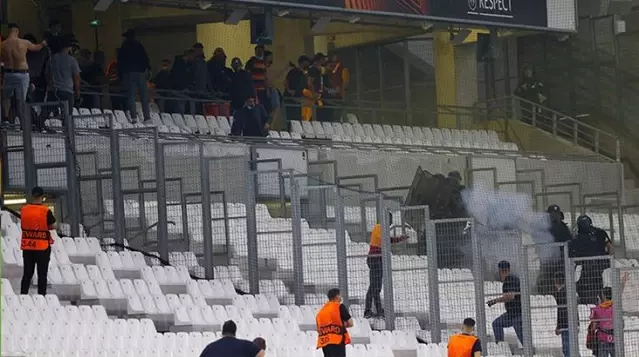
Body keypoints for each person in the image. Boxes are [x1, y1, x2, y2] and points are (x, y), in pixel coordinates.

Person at [364, 212, 407, 318]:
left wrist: (400, 238)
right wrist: (396, 239)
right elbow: (384, 240)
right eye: (389, 219)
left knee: (377, 287)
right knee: (373, 286)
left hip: (379, 259)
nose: (390, 222)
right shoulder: (378, 227)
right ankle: (368, 310)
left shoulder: (384, 230)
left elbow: (388, 240)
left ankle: (378, 309)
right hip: (375, 259)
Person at [1, 23, 46, 123]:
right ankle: (22, 121)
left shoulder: (2, 45)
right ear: (17, 31)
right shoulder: (24, 42)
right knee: (21, 99)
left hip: (8, 73)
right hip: (22, 74)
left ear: (8, 31)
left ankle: (6, 119)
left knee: (6, 97)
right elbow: (36, 48)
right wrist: (43, 43)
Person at [20, 186, 56, 295]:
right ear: (42, 196)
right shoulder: (45, 210)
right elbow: (53, 225)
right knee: (42, 274)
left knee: (27, 274)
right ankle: (41, 297)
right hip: (42, 247)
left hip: (28, 246)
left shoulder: (24, 209)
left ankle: (23, 295)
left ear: (32, 195)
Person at [572, 215, 612, 304]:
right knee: (600, 289)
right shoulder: (600, 232)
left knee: (595, 290)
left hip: (588, 269)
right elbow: (610, 247)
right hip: (599, 267)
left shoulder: (578, 237)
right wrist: (608, 257)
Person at [537, 204, 573, 295]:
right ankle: (546, 294)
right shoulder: (543, 227)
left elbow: (569, 240)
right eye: (552, 215)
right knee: (545, 277)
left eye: (556, 215)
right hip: (547, 258)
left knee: (561, 277)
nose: (554, 217)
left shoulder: (563, 227)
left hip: (561, 257)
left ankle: (561, 293)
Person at [117, 29, 151, 122]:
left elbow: (120, 61)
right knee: (144, 96)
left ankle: (133, 117)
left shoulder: (124, 46)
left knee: (131, 96)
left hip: (130, 73)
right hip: (141, 72)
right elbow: (146, 59)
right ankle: (147, 117)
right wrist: (148, 70)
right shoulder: (139, 45)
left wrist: (121, 75)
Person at [487, 260, 523, 344]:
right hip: (511, 314)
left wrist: (495, 301)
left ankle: (529, 351)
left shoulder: (511, 280)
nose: (503, 273)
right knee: (496, 323)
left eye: (505, 271)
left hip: (518, 314)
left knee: (522, 337)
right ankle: (501, 346)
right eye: (502, 271)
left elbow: (510, 296)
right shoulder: (508, 281)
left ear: (509, 270)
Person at [47, 35, 81, 117]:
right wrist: (77, 91)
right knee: (67, 115)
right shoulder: (72, 60)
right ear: (69, 47)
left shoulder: (52, 59)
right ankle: (66, 128)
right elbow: (76, 77)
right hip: (67, 91)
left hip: (53, 91)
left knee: (47, 111)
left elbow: (47, 75)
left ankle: (39, 126)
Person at [316, 288, 354, 357]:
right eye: (340, 295)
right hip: (338, 341)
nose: (341, 297)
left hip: (325, 342)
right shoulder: (339, 307)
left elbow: (319, 328)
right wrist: (342, 325)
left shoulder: (321, 311)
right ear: (337, 297)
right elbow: (350, 323)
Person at [199, 320, 265, 357]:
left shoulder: (210, 347)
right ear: (235, 332)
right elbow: (261, 353)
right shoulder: (245, 345)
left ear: (222, 332)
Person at [284, 55, 310, 124]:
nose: (307, 65)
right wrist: (289, 90)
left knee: (298, 119)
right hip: (290, 99)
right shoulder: (293, 71)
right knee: (291, 119)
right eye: (306, 63)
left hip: (299, 100)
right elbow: (286, 81)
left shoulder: (304, 74)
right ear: (301, 63)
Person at [552, 272, 570, 357]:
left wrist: (559, 326)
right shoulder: (568, 291)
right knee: (570, 347)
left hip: (566, 324)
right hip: (570, 323)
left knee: (567, 349)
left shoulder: (561, 293)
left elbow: (562, 311)